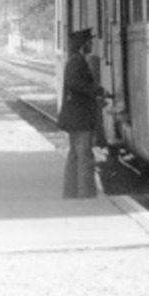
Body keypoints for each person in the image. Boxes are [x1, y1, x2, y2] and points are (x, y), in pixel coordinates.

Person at [57, 29, 105, 199]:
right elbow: (76, 84)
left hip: (75, 116)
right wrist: (96, 90)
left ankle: (70, 192)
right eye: (89, 42)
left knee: (75, 154)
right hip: (80, 117)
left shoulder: (74, 61)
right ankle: (86, 194)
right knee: (84, 154)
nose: (91, 45)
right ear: (83, 44)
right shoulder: (78, 62)